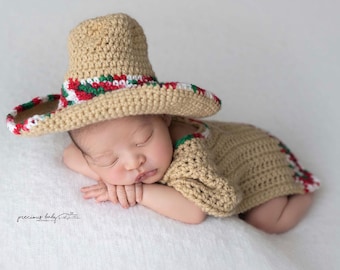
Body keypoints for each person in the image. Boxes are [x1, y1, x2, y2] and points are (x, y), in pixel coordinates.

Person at [6, 13, 320, 234]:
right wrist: (110, 175)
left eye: (143, 139)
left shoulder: (187, 151)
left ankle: (305, 191)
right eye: (109, 157)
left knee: (265, 222)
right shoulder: (111, 153)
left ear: (165, 118)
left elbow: (194, 210)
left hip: (259, 159)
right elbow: (70, 156)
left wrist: (139, 192)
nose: (133, 161)